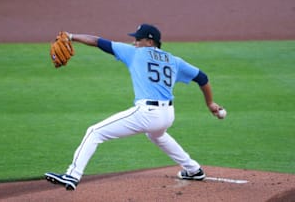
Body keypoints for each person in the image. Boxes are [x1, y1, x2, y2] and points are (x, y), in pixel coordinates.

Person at [45, 24, 223, 190]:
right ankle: (193, 170)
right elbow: (202, 78)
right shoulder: (174, 60)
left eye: (138, 39)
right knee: (157, 136)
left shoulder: (135, 53)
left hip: (147, 113)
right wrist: (210, 103)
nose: (134, 42)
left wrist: (71, 36)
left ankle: (72, 175)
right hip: (168, 114)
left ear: (150, 42)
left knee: (94, 132)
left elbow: (98, 41)